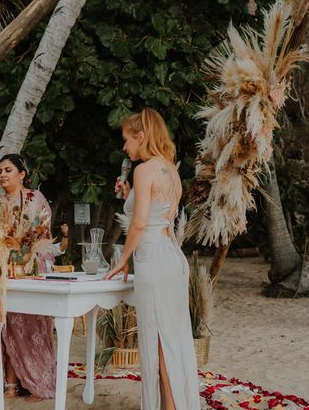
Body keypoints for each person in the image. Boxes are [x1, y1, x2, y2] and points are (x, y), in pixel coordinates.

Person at [105, 108, 200, 410]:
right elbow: (160, 214)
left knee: (158, 341)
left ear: (141, 136)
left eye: (127, 140)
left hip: (153, 260)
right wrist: (129, 195)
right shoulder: (169, 170)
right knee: (173, 338)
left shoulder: (143, 170)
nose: (124, 147)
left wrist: (123, 258)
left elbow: (140, 223)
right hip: (172, 257)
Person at [0, 153, 56, 401]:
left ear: (22, 173)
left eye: (8, 170)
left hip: (29, 273)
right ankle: (11, 384)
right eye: (0, 170)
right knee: (6, 327)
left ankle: (37, 383)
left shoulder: (35, 199)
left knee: (31, 329)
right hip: (3, 274)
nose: (2, 174)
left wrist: (26, 255)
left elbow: (44, 236)